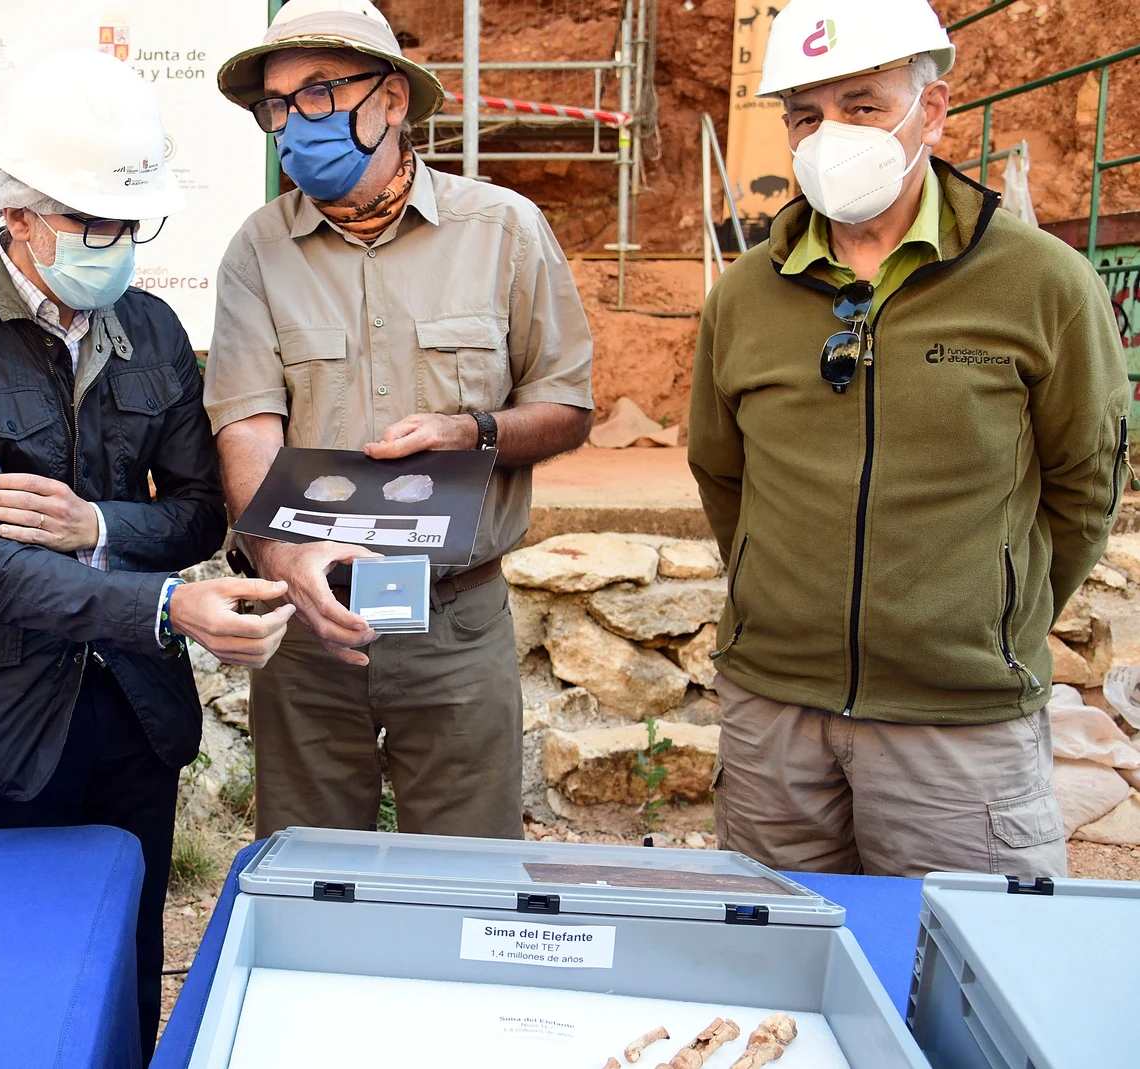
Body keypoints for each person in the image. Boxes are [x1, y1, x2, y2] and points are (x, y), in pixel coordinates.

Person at [0, 50, 293, 1058]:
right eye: (88, 221)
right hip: (1, 724)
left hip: (135, 715)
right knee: (5, 972)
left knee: (127, 956)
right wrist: (165, 610)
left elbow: (199, 512)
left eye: (128, 222)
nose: (112, 243)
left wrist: (100, 527)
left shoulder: (150, 330)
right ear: (15, 212)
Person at [689, 0, 1126, 878]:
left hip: (958, 722)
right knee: (780, 972)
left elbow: (1084, 490)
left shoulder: (1043, 283)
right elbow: (722, 474)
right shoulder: (745, 294)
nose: (830, 136)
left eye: (861, 104)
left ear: (931, 110)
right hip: (775, 715)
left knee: (964, 983)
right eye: (806, 116)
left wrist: (985, 618)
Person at [204, 0, 595, 840]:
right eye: (276, 105)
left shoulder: (503, 231)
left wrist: (474, 433)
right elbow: (245, 425)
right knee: (312, 881)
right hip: (308, 622)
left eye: (316, 93)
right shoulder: (258, 251)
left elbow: (565, 408)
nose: (290, 124)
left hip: (453, 620)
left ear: (390, 100)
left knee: (465, 880)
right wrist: (284, 558)